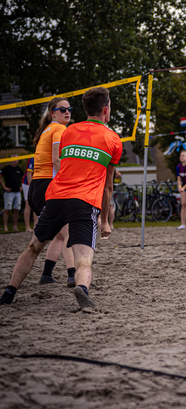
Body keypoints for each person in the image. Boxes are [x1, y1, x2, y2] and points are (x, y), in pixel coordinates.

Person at [0, 86, 122, 310]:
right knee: (84, 257)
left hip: (55, 196)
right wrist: (104, 221)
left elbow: (66, 161)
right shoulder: (113, 139)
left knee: (33, 247)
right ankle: (82, 288)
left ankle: (10, 290)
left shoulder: (68, 132)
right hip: (84, 202)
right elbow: (107, 187)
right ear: (106, 110)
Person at [28, 97, 75, 286]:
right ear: (52, 113)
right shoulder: (58, 129)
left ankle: (46, 274)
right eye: (62, 109)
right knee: (71, 232)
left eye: (69, 108)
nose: (67, 112)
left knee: (58, 234)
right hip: (48, 185)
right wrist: (68, 182)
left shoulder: (47, 129)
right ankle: (74, 276)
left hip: (36, 188)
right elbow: (57, 160)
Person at [0, 155, 23, 232]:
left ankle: (15, 227)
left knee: (16, 210)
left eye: (17, 159)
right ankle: (5, 227)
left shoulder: (19, 169)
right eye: (14, 159)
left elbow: (23, 178)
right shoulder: (6, 169)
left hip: (17, 193)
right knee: (7, 210)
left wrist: (22, 187)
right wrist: (4, 187)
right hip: (9, 192)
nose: (15, 161)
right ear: (11, 160)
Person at [22, 157, 36, 232]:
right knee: (28, 205)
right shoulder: (32, 158)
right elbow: (28, 174)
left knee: (36, 205)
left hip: (36, 183)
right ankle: (27, 227)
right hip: (27, 183)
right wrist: (32, 186)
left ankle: (35, 227)